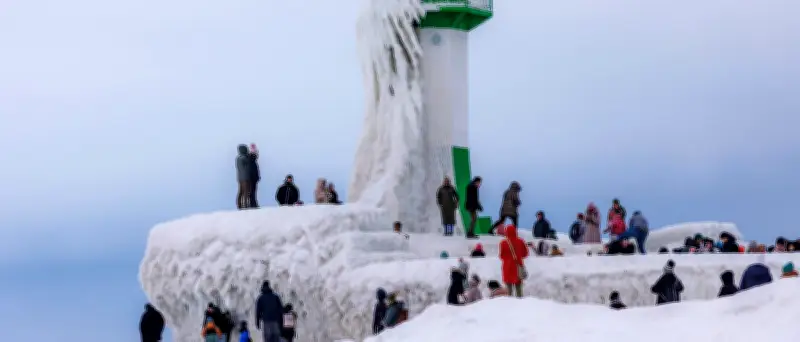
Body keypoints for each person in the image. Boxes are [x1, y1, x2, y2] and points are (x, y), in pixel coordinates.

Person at [499, 225, 529, 297]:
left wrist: (508, 258)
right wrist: (518, 256)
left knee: (509, 290)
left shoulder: (503, 243)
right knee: (519, 289)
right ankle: (519, 301)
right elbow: (525, 254)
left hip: (507, 268)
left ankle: (510, 301)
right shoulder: (520, 241)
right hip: (517, 266)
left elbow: (501, 256)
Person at [235, 144, 255, 209]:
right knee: (246, 191)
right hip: (246, 177)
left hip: (240, 178)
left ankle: (239, 205)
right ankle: (246, 205)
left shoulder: (238, 158)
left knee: (240, 192)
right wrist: (252, 154)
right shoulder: (244, 158)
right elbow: (249, 162)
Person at [246, 143, 260, 208]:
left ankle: (253, 204)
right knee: (252, 191)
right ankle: (252, 204)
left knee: (253, 191)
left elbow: (255, 170)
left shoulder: (253, 161)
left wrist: (257, 176)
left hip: (253, 178)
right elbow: (252, 170)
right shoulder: (251, 160)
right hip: (251, 178)